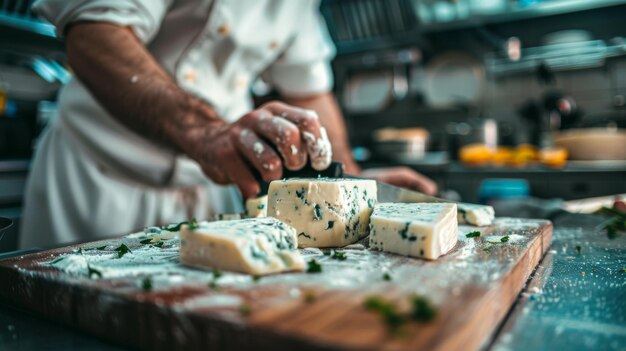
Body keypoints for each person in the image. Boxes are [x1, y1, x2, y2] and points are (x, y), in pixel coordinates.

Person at [21, 0, 437, 248]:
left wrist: (353, 182)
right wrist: (207, 133)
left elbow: (308, 89)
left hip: (215, 189)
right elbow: (94, 30)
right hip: (100, 179)